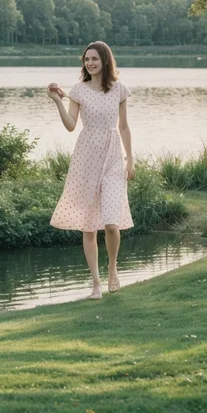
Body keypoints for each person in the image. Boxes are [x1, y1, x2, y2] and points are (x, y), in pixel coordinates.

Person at [48, 41, 135, 300]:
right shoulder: (78, 91)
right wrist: (57, 102)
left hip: (112, 157)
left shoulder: (119, 90)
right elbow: (71, 125)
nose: (90, 63)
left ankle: (113, 268)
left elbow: (124, 127)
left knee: (111, 222)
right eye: (86, 59)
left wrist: (130, 159)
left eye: (95, 59)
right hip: (86, 157)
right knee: (88, 227)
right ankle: (96, 284)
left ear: (105, 60)